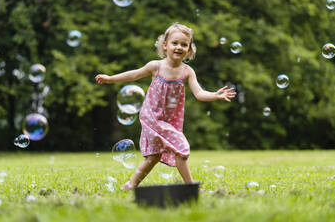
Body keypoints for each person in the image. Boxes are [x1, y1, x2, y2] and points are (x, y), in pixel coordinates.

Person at [95, 22, 236, 190]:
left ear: (189, 50)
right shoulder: (156, 66)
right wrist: (110, 78)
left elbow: (199, 94)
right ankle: (190, 186)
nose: (179, 47)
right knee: (181, 148)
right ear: (165, 45)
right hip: (152, 116)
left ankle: (130, 185)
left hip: (169, 120)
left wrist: (215, 95)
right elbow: (133, 75)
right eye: (175, 43)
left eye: (184, 44)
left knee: (153, 157)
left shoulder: (187, 72)